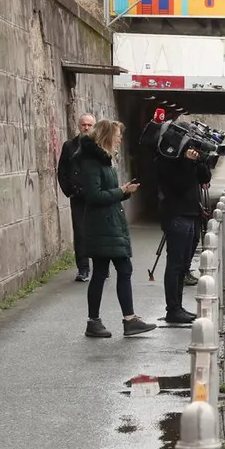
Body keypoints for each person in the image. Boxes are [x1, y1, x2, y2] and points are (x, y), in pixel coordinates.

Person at [75, 120, 157, 338]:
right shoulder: (92, 161)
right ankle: (117, 321)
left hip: (109, 222)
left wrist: (125, 191)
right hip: (102, 224)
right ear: (106, 135)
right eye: (117, 135)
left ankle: (108, 321)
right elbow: (93, 195)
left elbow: (106, 192)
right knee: (113, 271)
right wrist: (122, 191)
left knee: (109, 271)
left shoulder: (104, 159)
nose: (120, 138)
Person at [156, 143, 211, 325]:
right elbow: (178, 185)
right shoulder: (167, 159)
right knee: (175, 264)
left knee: (183, 266)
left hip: (191, 215)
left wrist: (201, 161)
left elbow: (205, 178)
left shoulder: (190, 161)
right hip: (176, 216)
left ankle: (177, 307)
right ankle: (172, 309)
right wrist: (187, 162)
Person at [57, 113, 96, 282]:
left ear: (94, 126)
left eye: (89, 125)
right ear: (79, 126)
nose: (86, 127)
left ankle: (101, 265)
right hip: (78, 196)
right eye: (83, 124)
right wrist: (69, 190)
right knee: (80, 232)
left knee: (97, 232)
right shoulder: (69, 146)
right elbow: (62, 171)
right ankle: (83, 269)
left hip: (96, 195)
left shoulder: (99, 144)